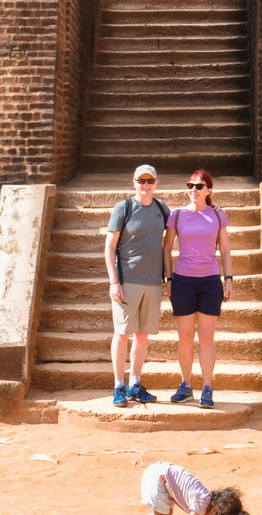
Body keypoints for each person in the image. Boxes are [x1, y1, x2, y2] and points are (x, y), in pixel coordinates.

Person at [163, 169, 232, 407]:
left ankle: (207, 388)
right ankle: (186, 385)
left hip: (210, 281)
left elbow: (224, 249)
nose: (193, 190)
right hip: (183, 280)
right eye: (190, 185)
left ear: (209, 190)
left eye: (199, 186)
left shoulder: (218, 214)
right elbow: (167, 248)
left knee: (206, 336)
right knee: (184, 337)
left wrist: (229, 279)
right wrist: (169, 279)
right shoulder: (177, 214)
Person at [105, 163, 170, 407]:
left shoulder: (161, 208)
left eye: (149, 181)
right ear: (134, 182)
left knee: (142, 335)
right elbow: (110, 246)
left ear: (155, 183)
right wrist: (114, 281)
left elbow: (173, 234)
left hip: (153, 281)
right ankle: (119, 386)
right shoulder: (124, 208)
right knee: (122, 334)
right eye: (141, 181)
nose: (145, 185)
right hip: (127, 280)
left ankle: (135, 384)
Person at [140, 461, 246, 515]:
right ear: (214, 510)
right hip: (158, 478)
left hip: (163, 474)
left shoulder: (205, 499)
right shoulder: (200, 505)